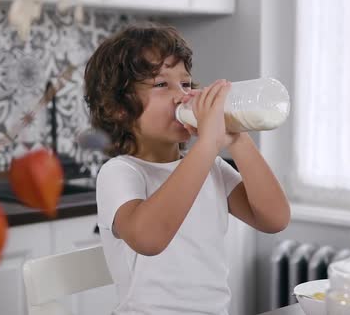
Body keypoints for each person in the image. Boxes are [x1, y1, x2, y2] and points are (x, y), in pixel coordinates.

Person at [83, 22, 290, 315]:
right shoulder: (120, 172)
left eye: (187, 83)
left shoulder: (212, 168)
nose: (183, 95)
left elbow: (275, 219)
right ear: (119, 108)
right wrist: (207, 143)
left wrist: (236, 136)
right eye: (161, 84)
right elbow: (149, 238)